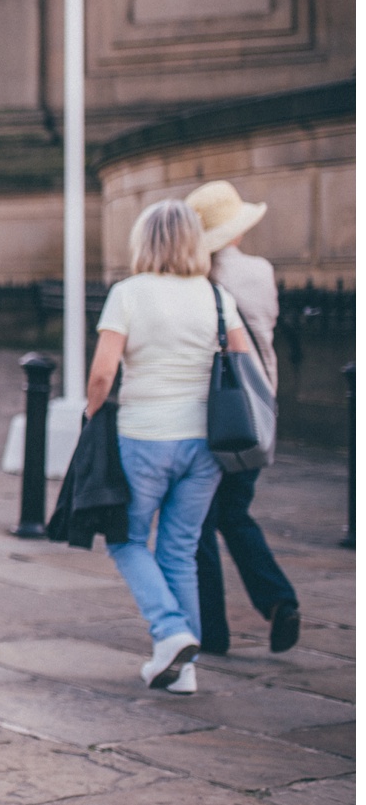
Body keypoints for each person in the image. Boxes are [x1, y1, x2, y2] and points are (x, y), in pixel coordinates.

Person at [85, 198, 253, 695]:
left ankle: (170, 631)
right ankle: (184, 669)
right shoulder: (216, 296)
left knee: (127, 540)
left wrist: (92, 415)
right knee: (180, 548)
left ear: (145, 242)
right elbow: (244, 362)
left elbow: (102, 371)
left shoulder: (129, 293)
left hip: (145, 435)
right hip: (205, 441)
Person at [186, 180, 300, 654]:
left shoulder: (200, 280)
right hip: (258, 411)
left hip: (215, 417)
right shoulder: (261, 270)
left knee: (199, 521)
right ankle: (278, 599)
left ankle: (212, 630)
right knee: (235, 513)